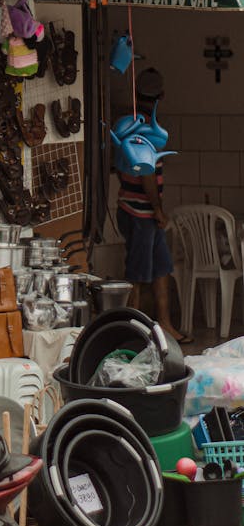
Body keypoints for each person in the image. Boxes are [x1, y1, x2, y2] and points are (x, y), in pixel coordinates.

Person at [116, 67, 190, 344]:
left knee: (161, 268)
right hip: (140, 213)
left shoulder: (133, 124)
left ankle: (165, 325)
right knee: (137, 273)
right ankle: (132, 333)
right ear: (161, 95)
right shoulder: (144, 129)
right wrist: (158, 210)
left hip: (143, 212)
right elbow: (147, 174)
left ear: (136, 93)